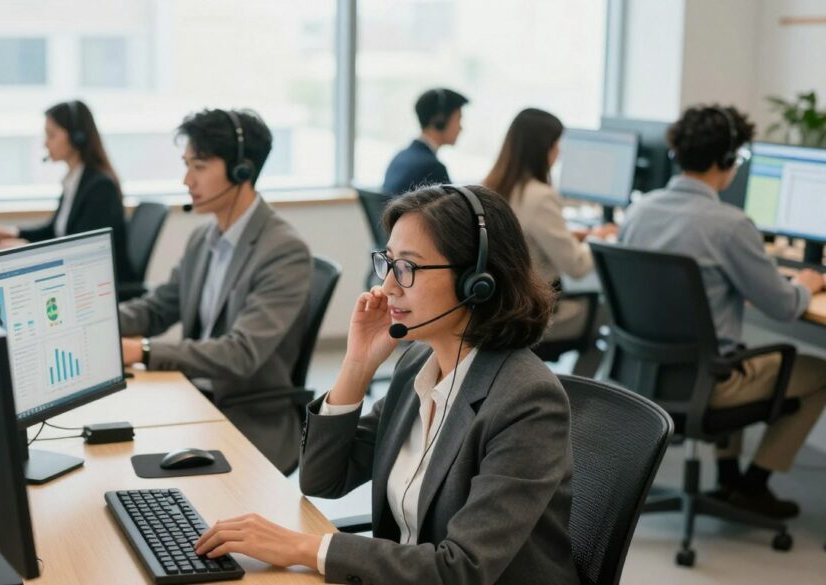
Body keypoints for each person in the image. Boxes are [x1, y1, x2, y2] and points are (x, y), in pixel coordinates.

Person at [194, 184, 580, 585]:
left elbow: (462, 569)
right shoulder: (417, 366)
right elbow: (323, 479)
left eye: (408, 268)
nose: (388, 287)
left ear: (476, 282)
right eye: (388, 263)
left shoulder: (527, 403)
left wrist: (306, 548)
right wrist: (357, 365)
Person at [620, 104, 826, 519]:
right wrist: (806, 284)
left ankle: (729, 479)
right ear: (728, 159)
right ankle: (752, 484)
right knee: (819, 372)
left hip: (642, 374)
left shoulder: (639, 210)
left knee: (727, 342)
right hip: (709, 384)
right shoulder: (730, 225)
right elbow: (784, 307)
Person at [118, 108, 311, 473]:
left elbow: (240, 354)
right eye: (186, 165)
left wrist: (140, 349)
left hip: (248, 414)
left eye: (200, 167)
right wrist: (93, 325)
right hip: (194, 398)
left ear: (242, 170)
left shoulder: (283, 250)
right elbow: (158, 308)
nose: (187, 180)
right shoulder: (204, 238)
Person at [484, 108, 615, 363]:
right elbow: (576, 266)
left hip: (498, 309)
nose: (559, 153)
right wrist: (600, 241)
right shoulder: (540, 196)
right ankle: (586, 398)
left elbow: (525, 237)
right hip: (534, 314)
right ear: (543, 149)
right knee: (607, 312)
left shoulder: (490, 187)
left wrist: (578, 236)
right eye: (557, 145)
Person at [0, 100, 131, 285]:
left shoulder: (100, 187)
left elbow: (83, 251)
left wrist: (27, 248)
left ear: (76, 137)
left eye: (51, 135)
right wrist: (12, 232)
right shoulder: (74, 179)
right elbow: (55, 230)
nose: (45, 144)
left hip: (100, 284)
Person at [382, 88, 469, 196]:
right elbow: (452, 212)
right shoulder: (432, 168)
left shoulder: (400, 157)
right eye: (458, 119)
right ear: (439, 120)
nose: (461, 127)